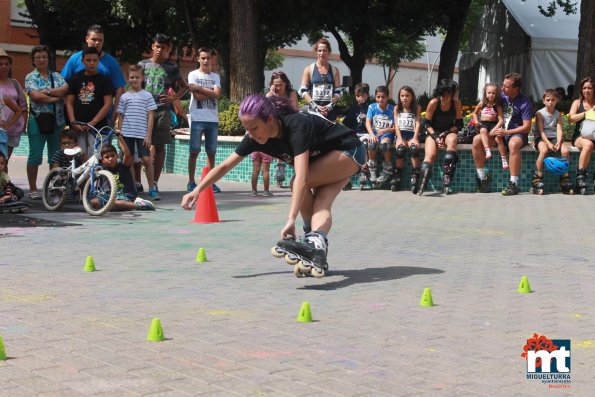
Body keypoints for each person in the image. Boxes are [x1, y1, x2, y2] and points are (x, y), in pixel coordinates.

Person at [181, 94, 366, 276]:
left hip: (348, 150)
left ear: (270, 119)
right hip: (328, 159)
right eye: (247, 129)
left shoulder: (296, 126)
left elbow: (302, 178)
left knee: (296, 183)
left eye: (254, 128)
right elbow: (224, 166)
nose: (251, 135)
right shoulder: (255, 138)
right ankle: (314, 245)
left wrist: (291, 219)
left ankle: (312, 241)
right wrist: (198, 190)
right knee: (322, 203)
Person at [138, 33, 189, 196]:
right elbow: (133, 85)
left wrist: (174, 98)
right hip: (144, 112)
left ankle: (154, 183)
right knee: (141, 147)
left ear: (169, 49)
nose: (160, 50)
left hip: (163, 111)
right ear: (153, 46)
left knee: (160, 148)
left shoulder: (172, 68)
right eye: (157, 46)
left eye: (164, 47)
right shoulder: (142, 65)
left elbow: (185, 86)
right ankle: (137, 182)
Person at [472, 73, 533, 195]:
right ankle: (482, 178)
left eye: (506, 86)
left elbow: (527, 127)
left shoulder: (525, 102)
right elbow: (483, 105)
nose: (502, 88)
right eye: (503, 85)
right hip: (497, 132)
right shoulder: (500, 97)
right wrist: (480, 121)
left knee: (513, 144)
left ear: (515, 89)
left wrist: (506, 132)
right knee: (477, 140)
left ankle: (513, 183)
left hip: (516, 133)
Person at [25, 45, 69, 199]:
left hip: (57, 121)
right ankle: (32, 189)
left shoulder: (56, 76)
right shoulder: (30, 77)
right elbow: (36, 96)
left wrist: (47, 92)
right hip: (37, 120)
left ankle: (53, 186)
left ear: (48, 59)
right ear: (33, 60)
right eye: (38, 57)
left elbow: (65, 88)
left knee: (55, 156)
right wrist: (56, 98)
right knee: (35, 156)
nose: (42, 59)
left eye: (44, 56)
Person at [61, 25, 126, 124]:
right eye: (94, 39)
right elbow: (63, 83)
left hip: (105, 118)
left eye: (100, 40)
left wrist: (115, 113)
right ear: (87, 39)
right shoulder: (75, 59)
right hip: (78, 119)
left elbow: (119, 89)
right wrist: (68, 108)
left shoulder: (111, 62)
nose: (97, 43)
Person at [116, 65, 158, 199]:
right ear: (128, 79)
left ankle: (152, 188)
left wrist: (148, 135)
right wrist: (119, 134)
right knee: (128, 160)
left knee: (146, 159)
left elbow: (151, 116)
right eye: (132, 77)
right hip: (127, 133)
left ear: (142, 78)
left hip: (142, 134)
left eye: (137, 77)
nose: (134, 80)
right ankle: (131, 189)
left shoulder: (147, 95)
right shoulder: (124, 97)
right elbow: (120, 116)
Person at [65, 46, 113, 158]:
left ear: (98, 61)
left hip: (97, 128)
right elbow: (69, 102)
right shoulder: (75, 79)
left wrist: (93, 122)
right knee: (79, 158)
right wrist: (73, 122)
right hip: (78, 128)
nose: (92, 63)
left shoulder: (104, 80)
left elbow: (108, 104)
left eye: (95, 60)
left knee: (96, 158)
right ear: (82, 61)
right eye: (88, 60)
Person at [186, 47, 222, 193]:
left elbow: (217, 94)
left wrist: (200, 88)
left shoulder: (216, 76)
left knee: (211, 152)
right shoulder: (192, 74)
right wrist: (211, 93)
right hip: (197, 118)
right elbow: (198, 97)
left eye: (208, 58)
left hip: (212, 119)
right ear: (198, 59)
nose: (206, 61)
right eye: (203, 58)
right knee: (194, 151)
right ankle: (191, 182)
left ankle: (210, 182)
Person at [418, 79, 463, 195]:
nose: (454, 94)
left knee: (453, 139)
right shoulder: (434, 102)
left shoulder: (456, 103)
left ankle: (447, 175)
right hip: (433, 132)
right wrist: (436, 137)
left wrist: (446, 133)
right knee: (431, 155)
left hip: (448, 132)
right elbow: (426, 124)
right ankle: (424, 176)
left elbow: (459, 124)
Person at [98, 131, 155, 211]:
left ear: (117, 156)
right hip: (110, 197)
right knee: (94, 202)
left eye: (112, 156)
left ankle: (139, 205)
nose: (110, 159)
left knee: (113, 204)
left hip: (126, 195)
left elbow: (127, 154)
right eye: (107, 157)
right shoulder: (103, 171)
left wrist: (120, 138)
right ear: (103, 160)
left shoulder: (123, 166)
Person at [531, 88, 573, 194]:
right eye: (548, 100)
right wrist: (548, 143)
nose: (550, 102)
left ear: (557, 100)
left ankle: (564, 178)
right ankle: (537, 178)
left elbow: (559, 129)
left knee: (565, 151)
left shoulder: (558, 114)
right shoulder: (539, 113)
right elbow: (541, 131)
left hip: (553, 137)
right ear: (544, 101)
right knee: (544, 151)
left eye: (553, 100)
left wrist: (558, 141)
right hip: (541, 137)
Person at [266, 70, 298, 188]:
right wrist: (272, 96)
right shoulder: (269, 95)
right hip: (276, 124)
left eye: (281, 84)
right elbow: (266, 111)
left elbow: (295, 109)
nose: (278, 87)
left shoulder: (291, 94)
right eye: (276, 85)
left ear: (286, 84)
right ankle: (280, 168)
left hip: (289, 121)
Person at [299, 38, 342, 120]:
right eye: (319, 50)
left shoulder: (334, 70)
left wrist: (329, 106)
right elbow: (303, 91)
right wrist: (315, 106)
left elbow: (338, 92)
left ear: (329, 52)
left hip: (329, 113)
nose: (322, 53)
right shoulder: (308, 69)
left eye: (324, 50)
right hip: (313, 112)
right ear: (316, 52)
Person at [0, 48, 27, 168]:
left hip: (12, 129)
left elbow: (22, 107)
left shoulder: (15, 83)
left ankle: (4, 186)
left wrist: (22, 124)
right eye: (0, 64)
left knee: (4, 162)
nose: (4, 67)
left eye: (6, 64)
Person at [343, 82, 371, 189]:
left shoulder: (371, 107)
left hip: (366, 134)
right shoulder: (353, 108)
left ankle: (364, 170)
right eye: (357, 96)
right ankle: (346, 177)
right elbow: (346, 123)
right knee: (347, 147)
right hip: (355, 134)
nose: (359, 98)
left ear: (367, 95)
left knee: (364, 143)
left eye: (361, 95)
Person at [393, 85, 422, 193]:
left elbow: (418, 122)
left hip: (411, 134)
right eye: (402, 95)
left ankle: (416, 176)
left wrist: (415, 138)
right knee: (400, 150)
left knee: (414, 149)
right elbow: (396, 125)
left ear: (412, 97)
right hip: (401, 135)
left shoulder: (417, 108)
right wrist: (399, 139)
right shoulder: (397, 108)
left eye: (407, 95)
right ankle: (397, 175)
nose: (404, 98)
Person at [568, 77, 594, 194]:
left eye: (589, 88)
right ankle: (580, 178)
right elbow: (570, 119)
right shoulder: (577, 103)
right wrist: (586, 113)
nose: (586, 90)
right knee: (588, 145)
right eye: (584, 88)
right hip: (580, 137)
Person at [365, 85, 395, 186]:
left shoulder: (392, 109)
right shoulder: (372, 107)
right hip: (375, 133)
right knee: (372, 144)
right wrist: (371, 134)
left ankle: (387, 168)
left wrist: (386, 129)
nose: (380, 99)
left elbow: (396, 127)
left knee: (384, 146)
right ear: (375, 97)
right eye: (378, 97)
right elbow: (368, 122)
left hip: (387, 134)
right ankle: (372, 169)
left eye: (383, 97)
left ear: (387, 97)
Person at [472, 83, 506, 168]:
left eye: (493, 93)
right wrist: (476, 122)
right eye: (489, 92)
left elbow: (501, 119)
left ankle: (504, 159)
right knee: (482, 130)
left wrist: (495, 129)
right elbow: (474, 113)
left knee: (498, 138)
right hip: (483, 123)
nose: (491, 95)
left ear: (496, 95)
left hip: (493, 125)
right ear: (485, 93)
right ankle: (487, 150)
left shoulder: (497, 106)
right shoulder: (481, 103)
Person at [0, 88, 22, 160]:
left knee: (2, 161)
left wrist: (7, 125)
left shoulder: (2, 97)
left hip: (0, 134)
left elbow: (18, 111)